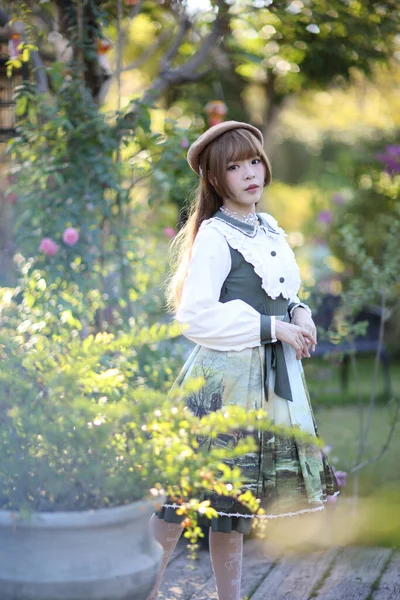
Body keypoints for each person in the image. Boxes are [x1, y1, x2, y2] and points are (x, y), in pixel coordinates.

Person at [146, 121, 339, 600]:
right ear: (216, 179)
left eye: (254, 161)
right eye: (235, 167)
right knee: (179, 503)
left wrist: (299, 312)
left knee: (232, 506)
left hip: (269, 382)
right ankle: (140, 591)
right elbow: (194, 315)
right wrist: (274, 327)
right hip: (224, 383)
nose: (250, 173)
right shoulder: (215, 235)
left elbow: (283, 292)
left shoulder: (268, 226)